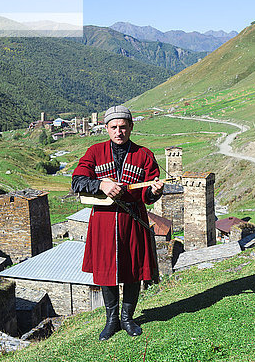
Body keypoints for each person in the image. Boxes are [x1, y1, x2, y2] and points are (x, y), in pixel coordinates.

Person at [72, 105, 164, 340]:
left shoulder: (144, 155)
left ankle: (128, 319)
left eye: (123, 127)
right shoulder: (94, 152)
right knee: (106, 271)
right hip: (103, 222)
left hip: (133, 220)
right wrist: (101, 185)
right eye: (114, 127)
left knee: (133, 269)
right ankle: (111, 320)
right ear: (106, 128)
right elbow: (77, 181)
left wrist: (154, 192)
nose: (119, 132)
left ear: (131, 127)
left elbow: (147, 195)